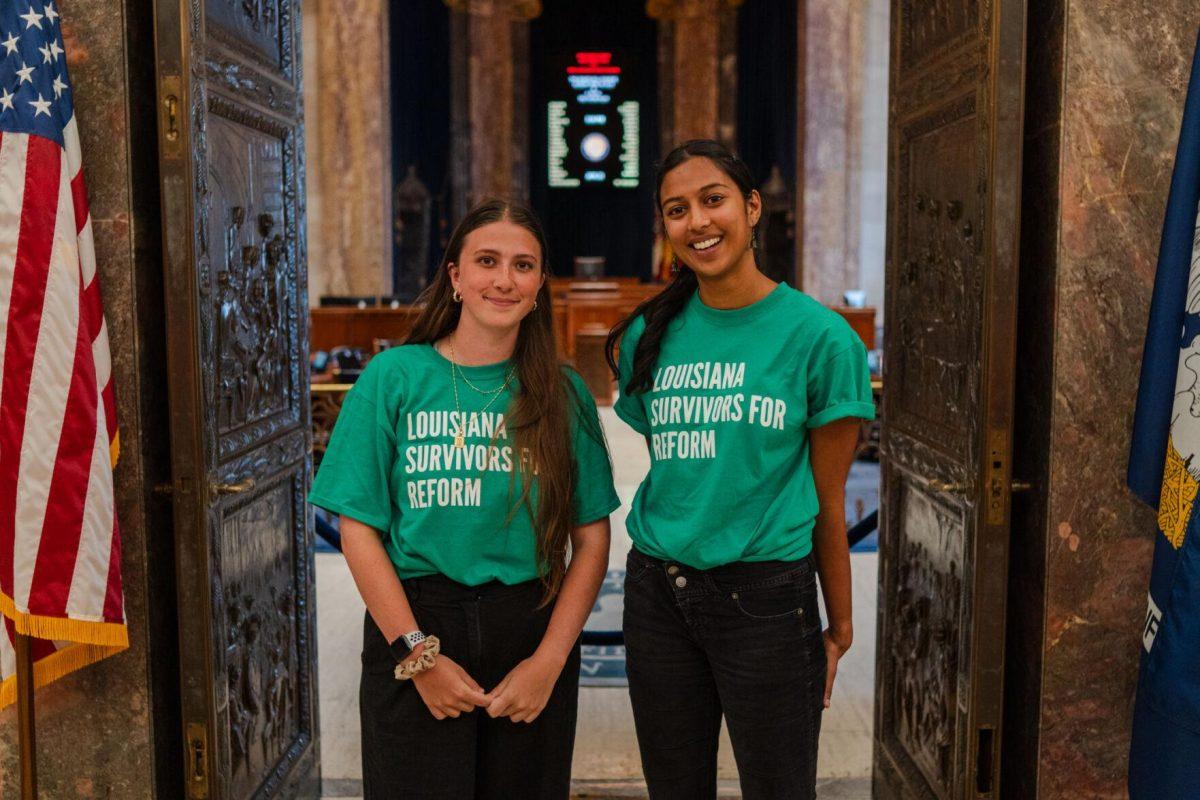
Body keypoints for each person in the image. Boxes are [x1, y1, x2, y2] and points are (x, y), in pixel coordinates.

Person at [309, 199, 620, 799]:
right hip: (418, 620)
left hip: (529, 624)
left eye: (523, 266)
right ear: (455, 276)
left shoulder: (561, 393)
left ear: (539, 287)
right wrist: (418, 657)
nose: (504, 279)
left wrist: (550, 662)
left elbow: (592, 539)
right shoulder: (394, 376)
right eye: (487, 261)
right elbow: (358, 530)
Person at [606, 140, 875, 799]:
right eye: (677, 209)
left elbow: (829, 498)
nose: (697, 221)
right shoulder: (649, 335)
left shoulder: (822, 338)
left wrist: (838, 624)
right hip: (656, 593)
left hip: (765, 598)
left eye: (713, 199)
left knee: (780, 787)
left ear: (752, 209)